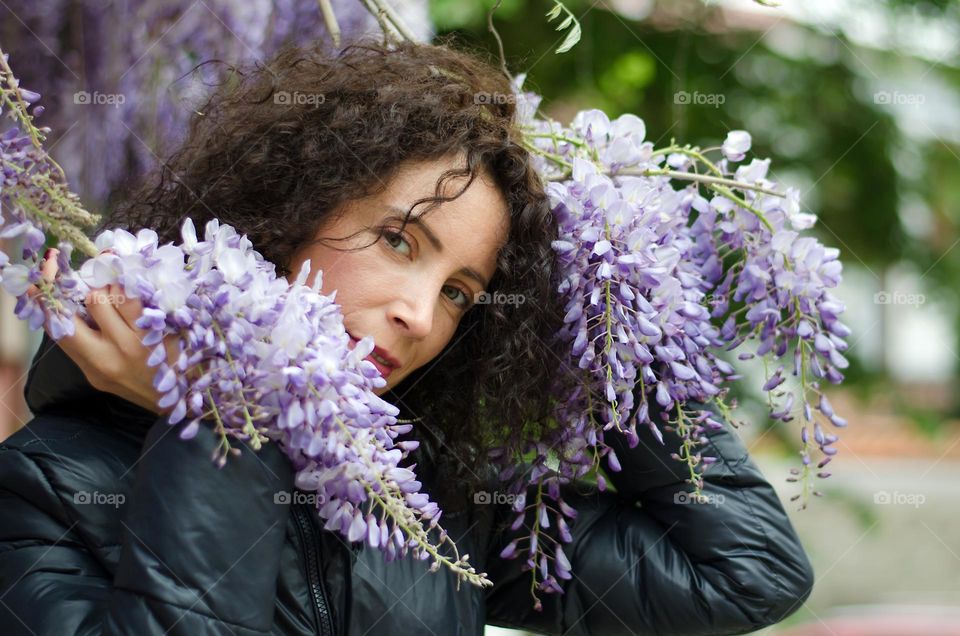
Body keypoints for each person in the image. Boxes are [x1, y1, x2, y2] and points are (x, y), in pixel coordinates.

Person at [0, 38, 814, 635]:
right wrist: (220, 421)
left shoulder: (433, 504)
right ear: (284, 211)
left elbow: (745, 573)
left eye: (462, 291)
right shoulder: (44, 489)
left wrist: (622, 317)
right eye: (400, 241)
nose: (421, 317)